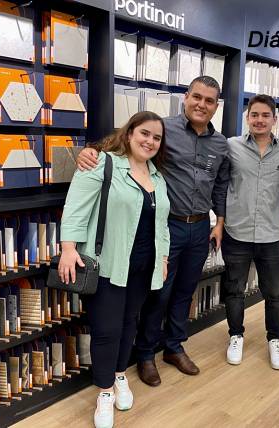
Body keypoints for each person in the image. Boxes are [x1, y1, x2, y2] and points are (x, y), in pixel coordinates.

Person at [77, 76, 230, 386]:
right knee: (158, 293)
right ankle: (146, 354)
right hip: (167, 225)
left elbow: (220, 185)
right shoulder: (163, 129)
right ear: (186, 97)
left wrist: (220, 223)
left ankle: (174, 347)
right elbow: (122, 144)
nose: (201, 104)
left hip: (201, 226)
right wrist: (88, 151)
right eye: (196, 97)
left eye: (209, 100)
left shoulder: (221, 144)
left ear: (217, 106)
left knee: (185, 291)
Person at [59, 111, 170, 428]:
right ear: (130, 132)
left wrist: (163, 258)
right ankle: (105, 392)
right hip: (108, 264)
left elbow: (162, 224)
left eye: (156, 137)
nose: (150, 141)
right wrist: (68, 249)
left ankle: (120, 374)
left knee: (128, 325)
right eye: (144, 133)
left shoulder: (157, 176)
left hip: (143, 267)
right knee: (106, 330)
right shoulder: (102, 164)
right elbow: (76, 208)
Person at [222, 94, 279, 369]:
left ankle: (275, 339)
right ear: (247, 118)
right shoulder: (231, 146)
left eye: (265, 115)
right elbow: (221, 180)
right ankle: (235, 335)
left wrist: (269, 198)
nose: (259, 120)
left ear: (275, 119)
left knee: (274, 291)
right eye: (254, 115)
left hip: (270, 233)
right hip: (236, 231)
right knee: (234, 289)